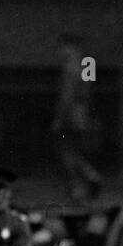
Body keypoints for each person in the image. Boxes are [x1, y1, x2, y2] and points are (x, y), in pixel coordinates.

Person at [52, 35, 103, 204]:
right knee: (76, 151)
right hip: (82, 114)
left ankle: (79, 188)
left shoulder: (70, 68)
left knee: (67, 153)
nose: (59, 52)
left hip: (70, 117)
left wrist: (59, 118)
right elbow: (88, 91)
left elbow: (66, 97)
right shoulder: (88, 63)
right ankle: (90, 176)